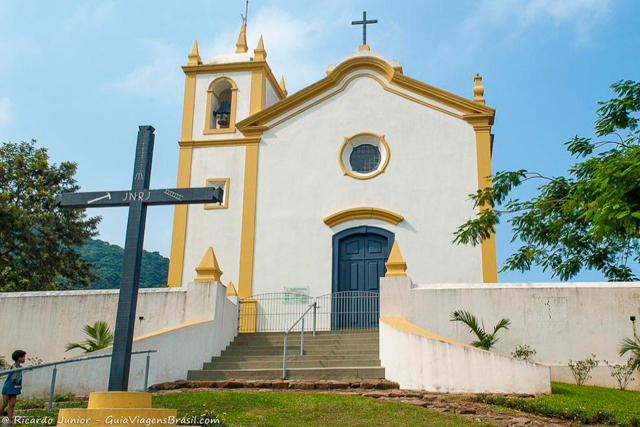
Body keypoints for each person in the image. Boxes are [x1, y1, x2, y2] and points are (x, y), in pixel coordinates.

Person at [1, 350, 26, 425]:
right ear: (19, 358)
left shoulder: (20, 367)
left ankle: (9, 420)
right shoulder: (13, 366)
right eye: (23, 357)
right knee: (5, 404)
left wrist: (20, 385)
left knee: (12, 404)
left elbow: (20, 377)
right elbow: (16, 370)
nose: (24, 359)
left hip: (15, 387)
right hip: (8, 387)